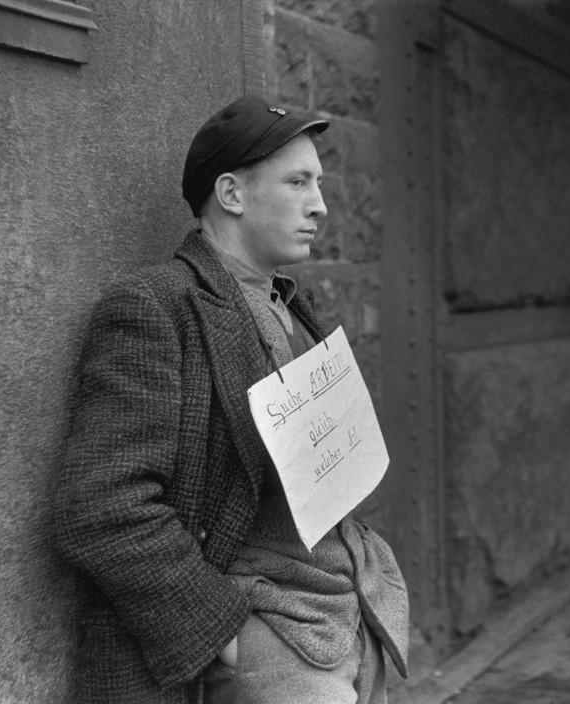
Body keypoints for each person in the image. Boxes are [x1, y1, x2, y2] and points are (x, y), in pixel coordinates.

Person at [53, 96, 408, 703]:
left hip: (348, 614)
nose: (319, 204)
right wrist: (226, 636)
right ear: (232, 195)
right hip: (265, 640)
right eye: (298, 182)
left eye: (318, 183)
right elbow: (102, 505)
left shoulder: (292, 305)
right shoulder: (154, 307)